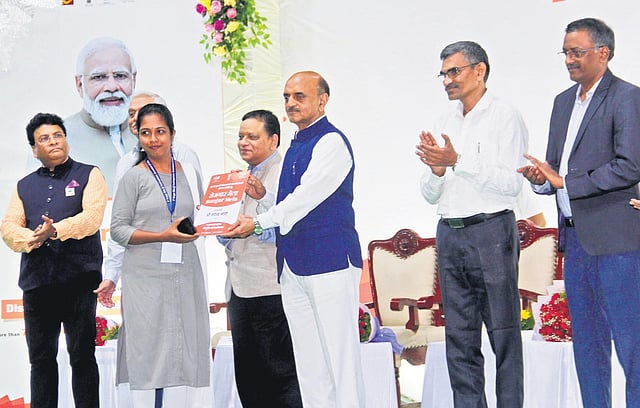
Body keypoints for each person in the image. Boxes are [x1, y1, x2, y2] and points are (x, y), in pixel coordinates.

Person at [222, 71, 365, 407]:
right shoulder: (295, 145)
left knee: (339, 360)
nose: (290, 103)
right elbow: (289, 204)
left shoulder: (331, 142)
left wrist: (258, 222)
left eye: (300, 96)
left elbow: (305, 199)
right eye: (287, 97)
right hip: (293, 265)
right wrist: (264, 197)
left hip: (329, 261)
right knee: (309, 364)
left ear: (322, 100)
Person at [519, 18, 640, 408]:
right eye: (566, 52)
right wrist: (542, 180)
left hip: (617, 241)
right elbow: (557, 168)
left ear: (603, 53)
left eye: (577, 52)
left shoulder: (627, 97)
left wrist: (566, 183)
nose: (569, 60)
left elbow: (630, 166)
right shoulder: (562, 102)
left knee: (632, 346)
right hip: (575, 242)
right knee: (587, 347)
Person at [416, 41, 527, 407]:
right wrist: (436, 171)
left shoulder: (505, 116)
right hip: (450, 233)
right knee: (459, 340)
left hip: (491, 232)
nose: (447, 80)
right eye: (443, 74)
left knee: (504, 336)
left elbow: (511, 184)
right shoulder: (443, 121)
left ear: (480, 71)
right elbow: (430, 194)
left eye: (454, 71)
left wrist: (457, 160)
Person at [0, 113, 107, 408]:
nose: (53, 141)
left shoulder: (90, 174)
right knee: (41, 360)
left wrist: (56, 230)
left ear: (66, 139)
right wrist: (31, 238)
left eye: (58, 135)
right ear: (34, 149)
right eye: (44, 139)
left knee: (82, 357)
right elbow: (8, 226)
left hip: (79, 282)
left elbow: (92, 218)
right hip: (38, 283)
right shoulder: (24, 185)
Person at [110, 103, 210, 407]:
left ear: (173, 134)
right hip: (145, 278)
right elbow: (118, 230)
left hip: (185, 272)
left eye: (160, 132)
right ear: (138, 137)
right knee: (148, 351)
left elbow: (203, 216)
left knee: (185, 349)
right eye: (146, 133)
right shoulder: (133, 177)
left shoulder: (189, 172)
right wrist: (162, 236)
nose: (153, 139)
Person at [217, 109, 302, 407]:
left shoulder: (286, 173)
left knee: (279, 374)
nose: (244, 142)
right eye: (241, 136)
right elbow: (229, 232)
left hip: (270, 288)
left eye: (252, 136)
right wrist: (218, 226)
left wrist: (254, 224)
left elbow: (288, 229)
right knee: (249, 375)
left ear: (273, 140)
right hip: (238, 289)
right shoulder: (238, 176)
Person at [95, 91, 202, 308]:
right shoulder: (128, 165)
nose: (135, 118)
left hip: (184, 264)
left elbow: (199, 213)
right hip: (143, 269)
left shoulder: (186, 160)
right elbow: (119, 226)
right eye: (132, 114)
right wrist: (112, 274)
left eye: (159, 131)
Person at [65, 37, 138, 195]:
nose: (111, 87)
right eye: (98, 77)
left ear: (133, 80)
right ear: (79, 84)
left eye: (120, 76)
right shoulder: (58, 139)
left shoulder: (152, 133)